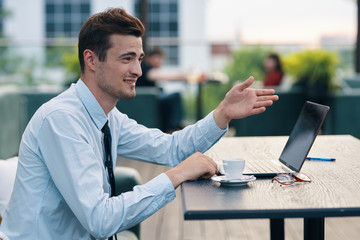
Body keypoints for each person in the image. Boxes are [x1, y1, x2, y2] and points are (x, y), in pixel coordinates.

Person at [0, 8, 278, 240]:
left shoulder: (107, 115)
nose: (138, 71)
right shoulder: (62, 121)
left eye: (139, 58)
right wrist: (176, 175)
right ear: (91, 59)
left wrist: (222, 113)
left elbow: (171, 148)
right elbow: (100, 220)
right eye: (127, 59)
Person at [137, 47, 187, 132]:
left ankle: (173, 127)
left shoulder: (149, 68)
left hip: (150, 100)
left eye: (161, 59)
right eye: (157, 58)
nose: (159, 61)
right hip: (145, 101)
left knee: (169, 97)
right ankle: (174, 127)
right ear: (149, 58)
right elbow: (160, 76)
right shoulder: (145, 68)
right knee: (175, 96)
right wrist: (184, 76)